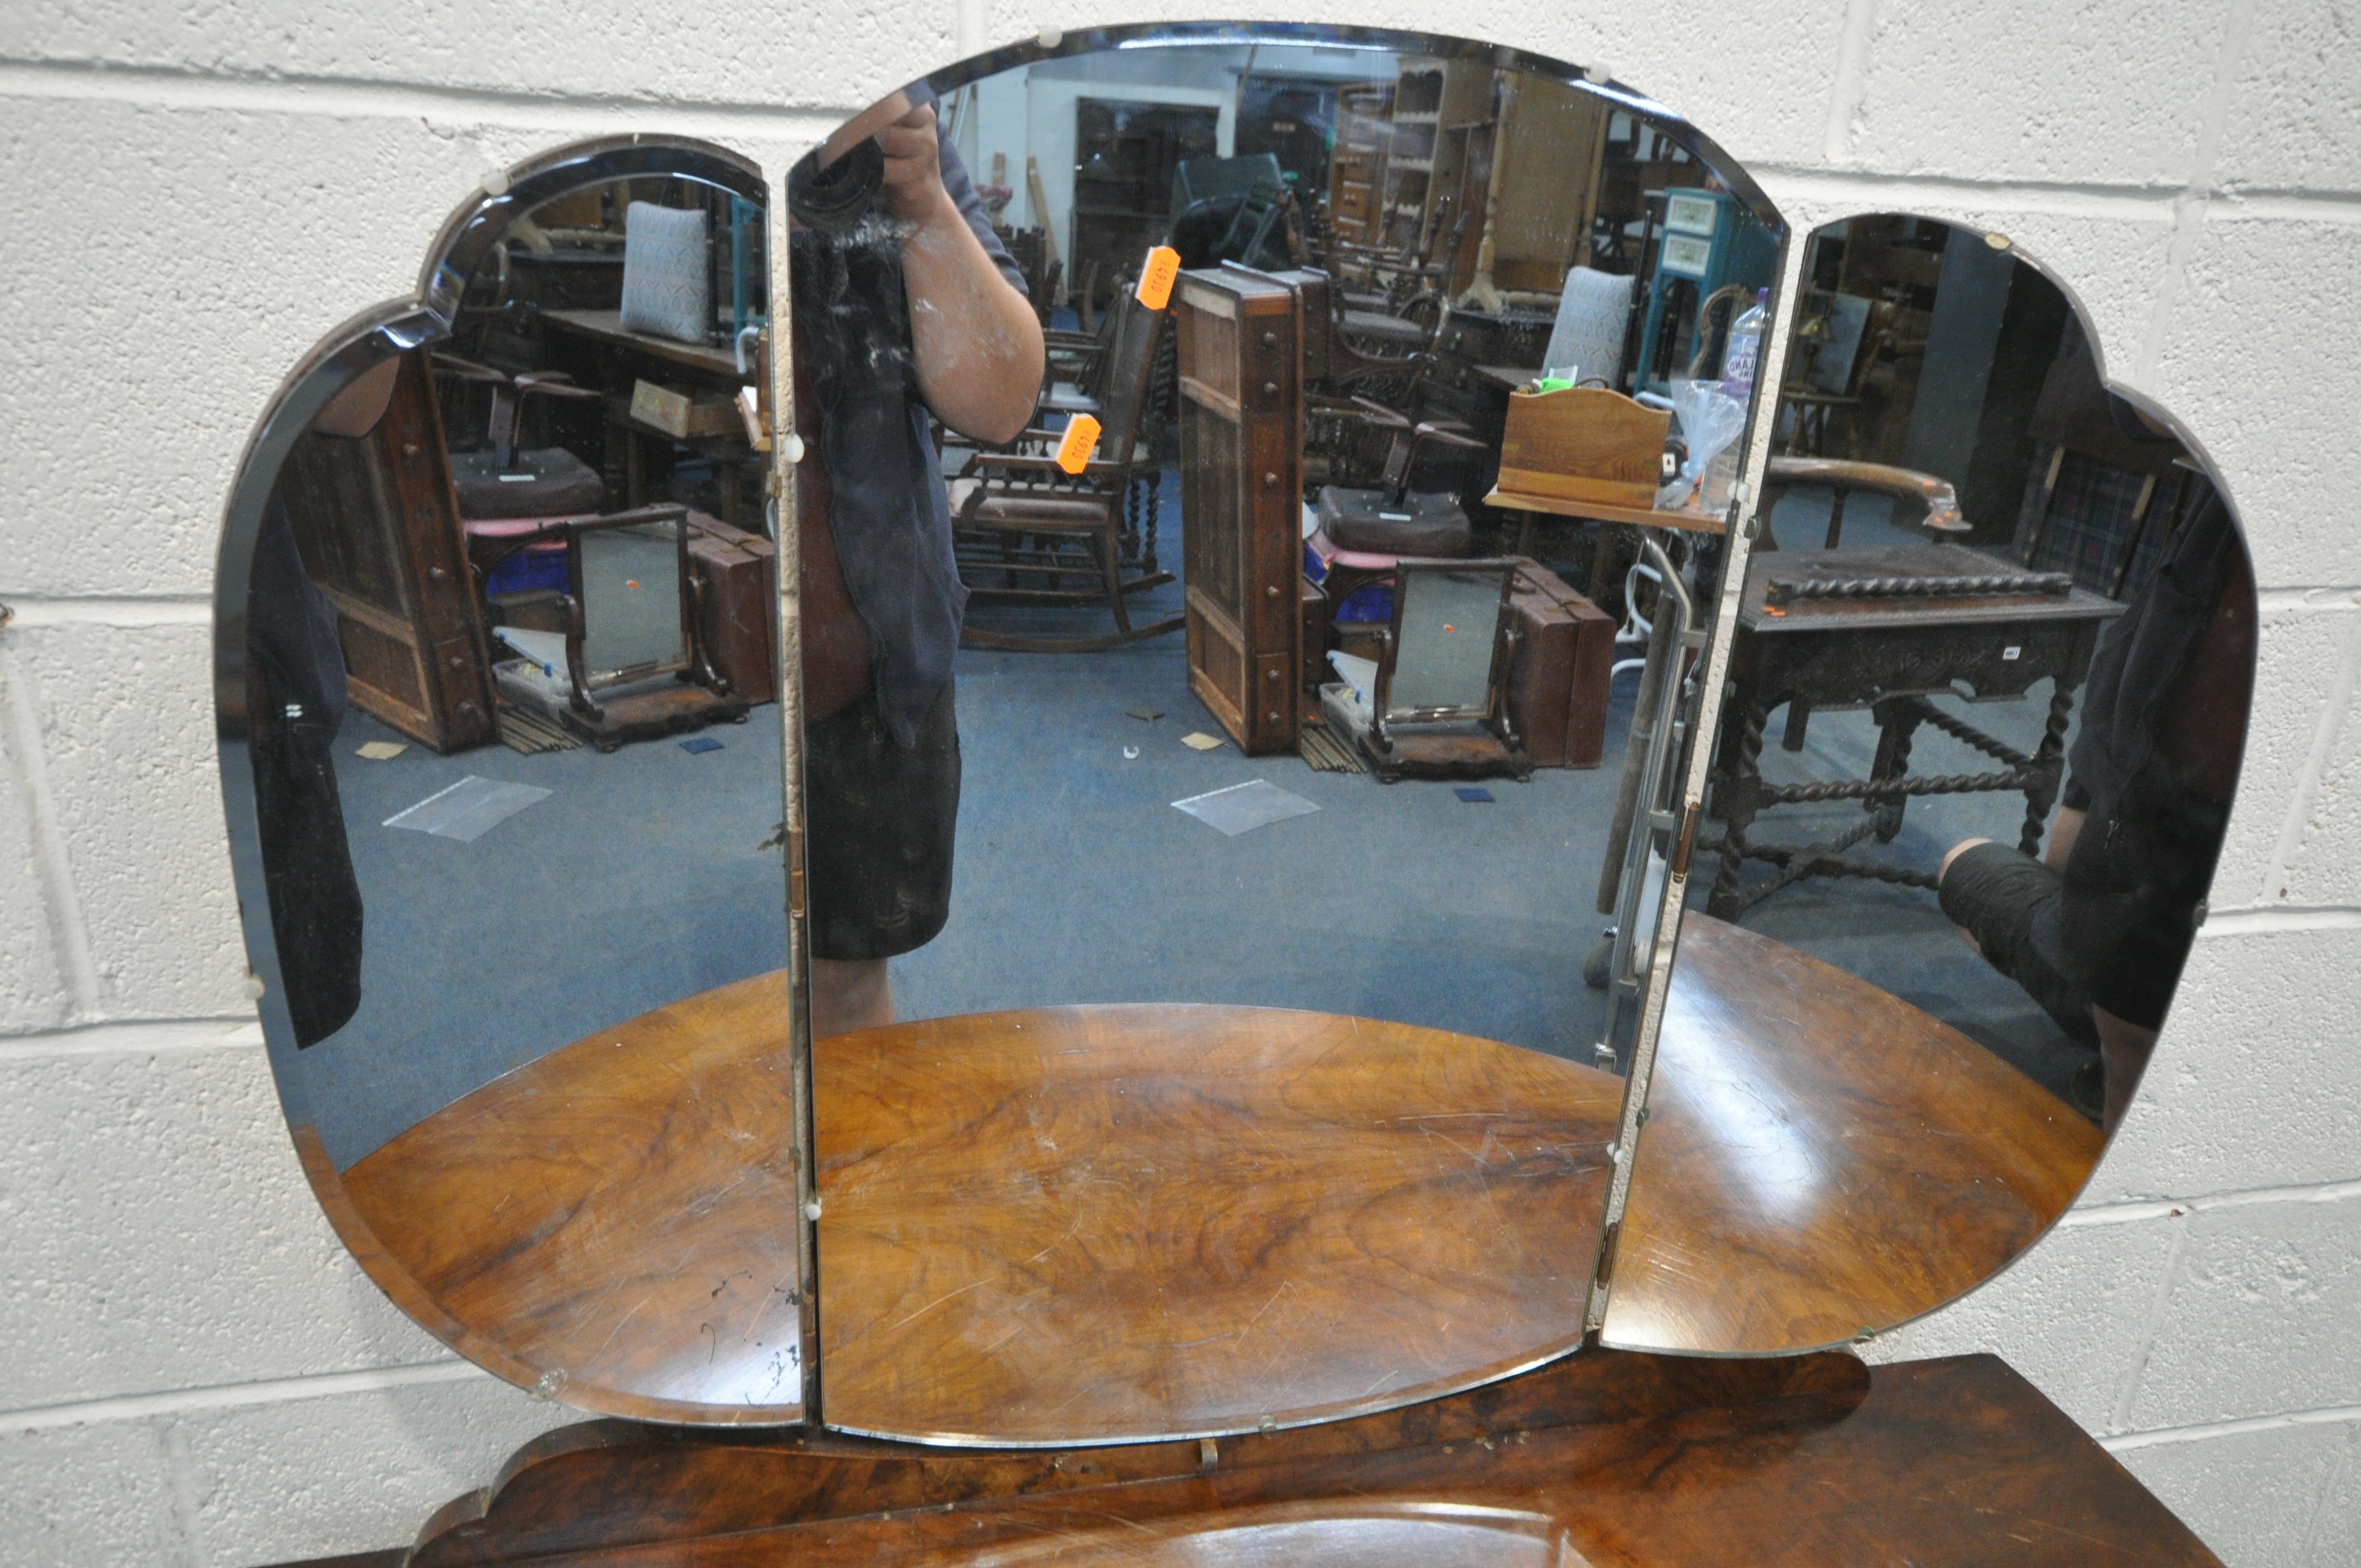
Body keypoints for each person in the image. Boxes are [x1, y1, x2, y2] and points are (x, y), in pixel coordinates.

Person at [787, 88, 1045, 1038]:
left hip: (866, 638)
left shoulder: (897, 120)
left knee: (846, 977)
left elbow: (1002, 404)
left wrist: (923, 200)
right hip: (708, 623)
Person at [1935, 448, 2253, 1133]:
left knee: (1966, 863)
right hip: (2149, 894)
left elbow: (2066, 861)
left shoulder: (2208, 591)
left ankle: (2117, 1069)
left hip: (2146, 909)